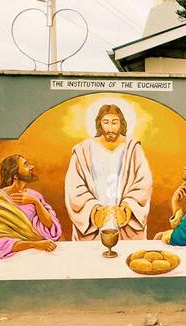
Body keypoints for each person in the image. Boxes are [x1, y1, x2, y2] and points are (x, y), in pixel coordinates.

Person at [65, 103, 152, 241]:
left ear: (121, 123)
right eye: (106, 122)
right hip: (97, 216)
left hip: (123, 216)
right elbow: (74, 186)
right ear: (99, 124)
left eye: (114, 122)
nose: (110, 128)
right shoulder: (84, 150)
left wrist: (127, 206)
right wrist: (94, 209)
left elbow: (143, 183)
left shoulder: (133, 148)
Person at [0, 155, 63, 258]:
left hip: (38, 255)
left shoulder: (35, 196)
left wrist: (35, 202)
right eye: (26, 165)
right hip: (11, 259)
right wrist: (34, 245)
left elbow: (49, 226)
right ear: (15, 175)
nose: (32, 167)